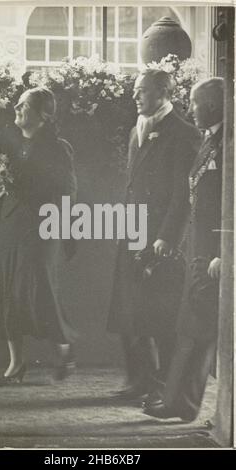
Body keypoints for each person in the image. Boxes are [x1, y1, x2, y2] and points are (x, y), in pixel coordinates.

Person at [108, 69, 201, 403]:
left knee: (160, 317)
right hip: (132, 232)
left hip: (159, 238)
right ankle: (139, 380)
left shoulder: (184, 133)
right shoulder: (136, 130)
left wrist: (167, 237)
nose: (135, 96)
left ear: (164, 92)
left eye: (142, 91)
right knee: (130, 312)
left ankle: (164, 386)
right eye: (135, 90)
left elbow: (182, 194)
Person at [144, 78, 224, 421]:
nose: (190, 109)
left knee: (199, 329)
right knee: (189, 326)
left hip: (215, 253)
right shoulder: (211, 140)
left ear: (210, 105)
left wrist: (226, 252)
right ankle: (178, 401)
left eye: (194, 103)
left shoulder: (230, 142)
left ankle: (184, 404)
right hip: (198, 248)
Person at [0, 87, 78, 385]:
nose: (16, 107)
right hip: (10, 226)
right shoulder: (6, 139)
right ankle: (16, 363)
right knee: (7, 290)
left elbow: (67, 190)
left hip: (42, 228)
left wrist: (67, 232)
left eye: (24, 104)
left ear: (43, 115)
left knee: (40, 291)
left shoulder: (58, 147)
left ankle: (64, 350)